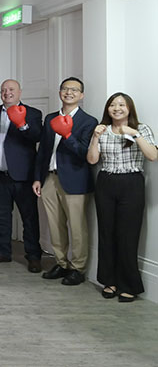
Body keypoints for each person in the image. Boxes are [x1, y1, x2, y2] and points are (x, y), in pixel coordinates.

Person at [87, 93, 157, 302]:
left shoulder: (141, 128)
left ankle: (129, 285)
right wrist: (95, 137)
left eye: (121, 104)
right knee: (106, 233)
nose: (117, 108)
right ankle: (109, 281)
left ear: (129, 108)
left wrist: (135, 134)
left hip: (132, 182)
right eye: (112, 105)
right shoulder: (102, 130)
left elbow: (153, 156)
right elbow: (92, 160)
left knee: (128, 235)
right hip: (106, 182)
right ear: (107, 109)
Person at [32, 77, 97, 286]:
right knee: (55, 225)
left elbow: (84, 153)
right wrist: (38, 178)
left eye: (74, 90)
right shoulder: (51, 118)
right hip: (49, 178)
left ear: (81, 95)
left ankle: (78, 268)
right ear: (60, 92)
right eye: (65, 89)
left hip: (75, 180)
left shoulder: (89, 121)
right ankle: (61, 263)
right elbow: (43, 151)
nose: (69, 92)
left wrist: (67, 135)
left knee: (77, 227)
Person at [0, 79, 43, 273]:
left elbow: (37, 137)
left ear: (20, 92)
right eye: (4, 90)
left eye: (11, 89)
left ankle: (33, 256)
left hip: (24, 176)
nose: (7, 93)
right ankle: (3, 252)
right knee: (1, 217)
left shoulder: (33, 113)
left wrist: (22, 124)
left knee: (29, 218)